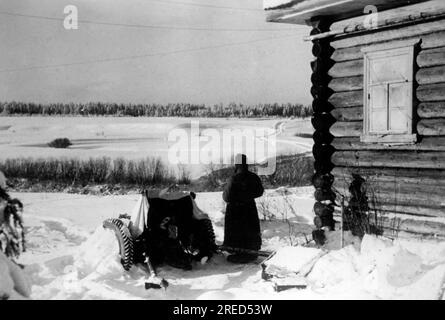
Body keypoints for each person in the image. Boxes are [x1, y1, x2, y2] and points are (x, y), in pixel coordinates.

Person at [223, 154, 264, 263]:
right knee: (250, 230)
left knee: (236, 232)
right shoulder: (253, 177)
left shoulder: (233, 178)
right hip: (249, 208)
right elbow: (260, 192)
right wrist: (248, 196)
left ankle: (236, 252)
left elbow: (226, 197)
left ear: (236, 164)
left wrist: (238, 197)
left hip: (235, 211)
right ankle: (252, 250)